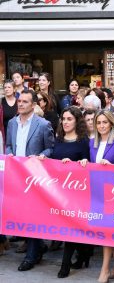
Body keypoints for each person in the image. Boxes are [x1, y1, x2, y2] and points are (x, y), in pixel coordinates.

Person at [81, 110, 114, 283]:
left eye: (105, 122)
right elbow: (91, 165)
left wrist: (112, 165)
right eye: (99, 123)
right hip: (98, 192)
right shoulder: (92, 142)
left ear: (111, 123)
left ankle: (104, 270)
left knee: (106, 230)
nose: (101, 126)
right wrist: (84, 162)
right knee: (106, 230)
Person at [6, 89, 54, 271]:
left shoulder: (43, 124)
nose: (20, 104)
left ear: (33, 105)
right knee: (21, 214)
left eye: (25, 101)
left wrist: (41, 156)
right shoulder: (12, 123)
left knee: (33, 215)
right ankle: (37, 245)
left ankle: (32, 255)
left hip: (35, 177)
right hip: (16, 176)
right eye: (19, 101)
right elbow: (10, 144)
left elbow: (50, 149)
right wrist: (9, 154)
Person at [51, 106, 92, 278]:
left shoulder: (83, 141)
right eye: (64, 119)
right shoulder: (58, 138)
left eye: (69, 119)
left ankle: (65, 264)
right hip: (59, 190)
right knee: (68, 227)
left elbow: (87, 163)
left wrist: (76, 164)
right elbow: (53, 161)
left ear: (77, 121)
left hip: (77, 193)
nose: (65, 122)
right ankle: (84, 253)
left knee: (70, 227)